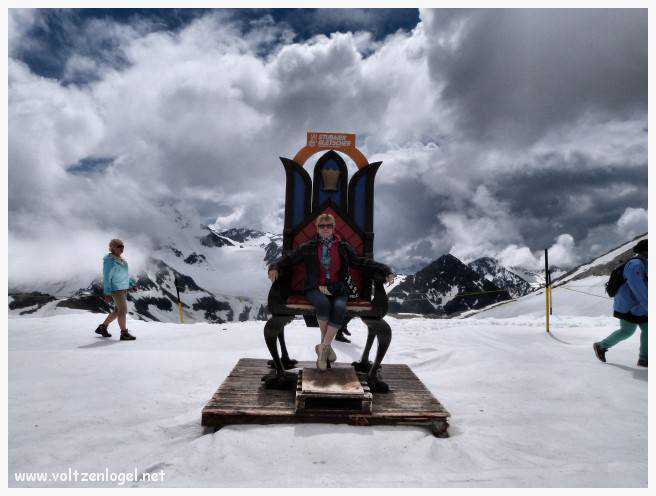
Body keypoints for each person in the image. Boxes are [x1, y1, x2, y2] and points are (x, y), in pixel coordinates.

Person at [268, 214, 394, 370]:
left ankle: (323, 347)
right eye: (322, 226)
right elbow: (288, 259)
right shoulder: (308, 247)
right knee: (323, 304)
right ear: (317, 228)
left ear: (334, 228)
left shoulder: (343, 247)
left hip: (338, 289)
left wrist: (386, 270)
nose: (326, 228)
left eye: (329, 226)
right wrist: (274, 267)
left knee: (340, 308)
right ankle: (326, 347)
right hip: (314, 288)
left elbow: (360, 262)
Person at [594, 239, 648, 367]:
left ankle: (644, 359)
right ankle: (601, 346)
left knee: (648, 329)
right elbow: (638, 289)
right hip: (629, 307)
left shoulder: (643, 263)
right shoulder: (635, 265)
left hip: (638, 306)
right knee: (627, 331)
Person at [94, 238, 137, 341]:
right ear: (112, 248)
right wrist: (107, 293)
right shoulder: (110, 261)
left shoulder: (122, 260)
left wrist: (131, 284)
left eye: (122, 246)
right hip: (116, 290)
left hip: (123, 289)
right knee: (123, 310)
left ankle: (102, 327)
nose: (122, 248)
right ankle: (124, 333)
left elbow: (125, 275)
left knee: (117, 311)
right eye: (119, 246)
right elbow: (106, 278)